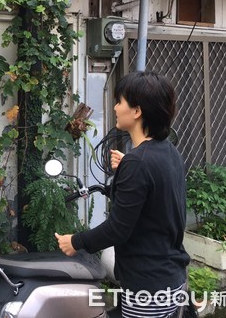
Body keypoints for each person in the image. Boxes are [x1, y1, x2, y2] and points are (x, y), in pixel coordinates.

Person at [55, 71, 190, 318]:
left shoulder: (139, 163)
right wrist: (129, 165)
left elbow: (118, 229)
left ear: (137, 111)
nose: (116, 107)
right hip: (171, 277)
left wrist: (75, 242)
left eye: (120, 101)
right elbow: (155, 200)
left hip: (147, 286)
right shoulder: (168, 152)